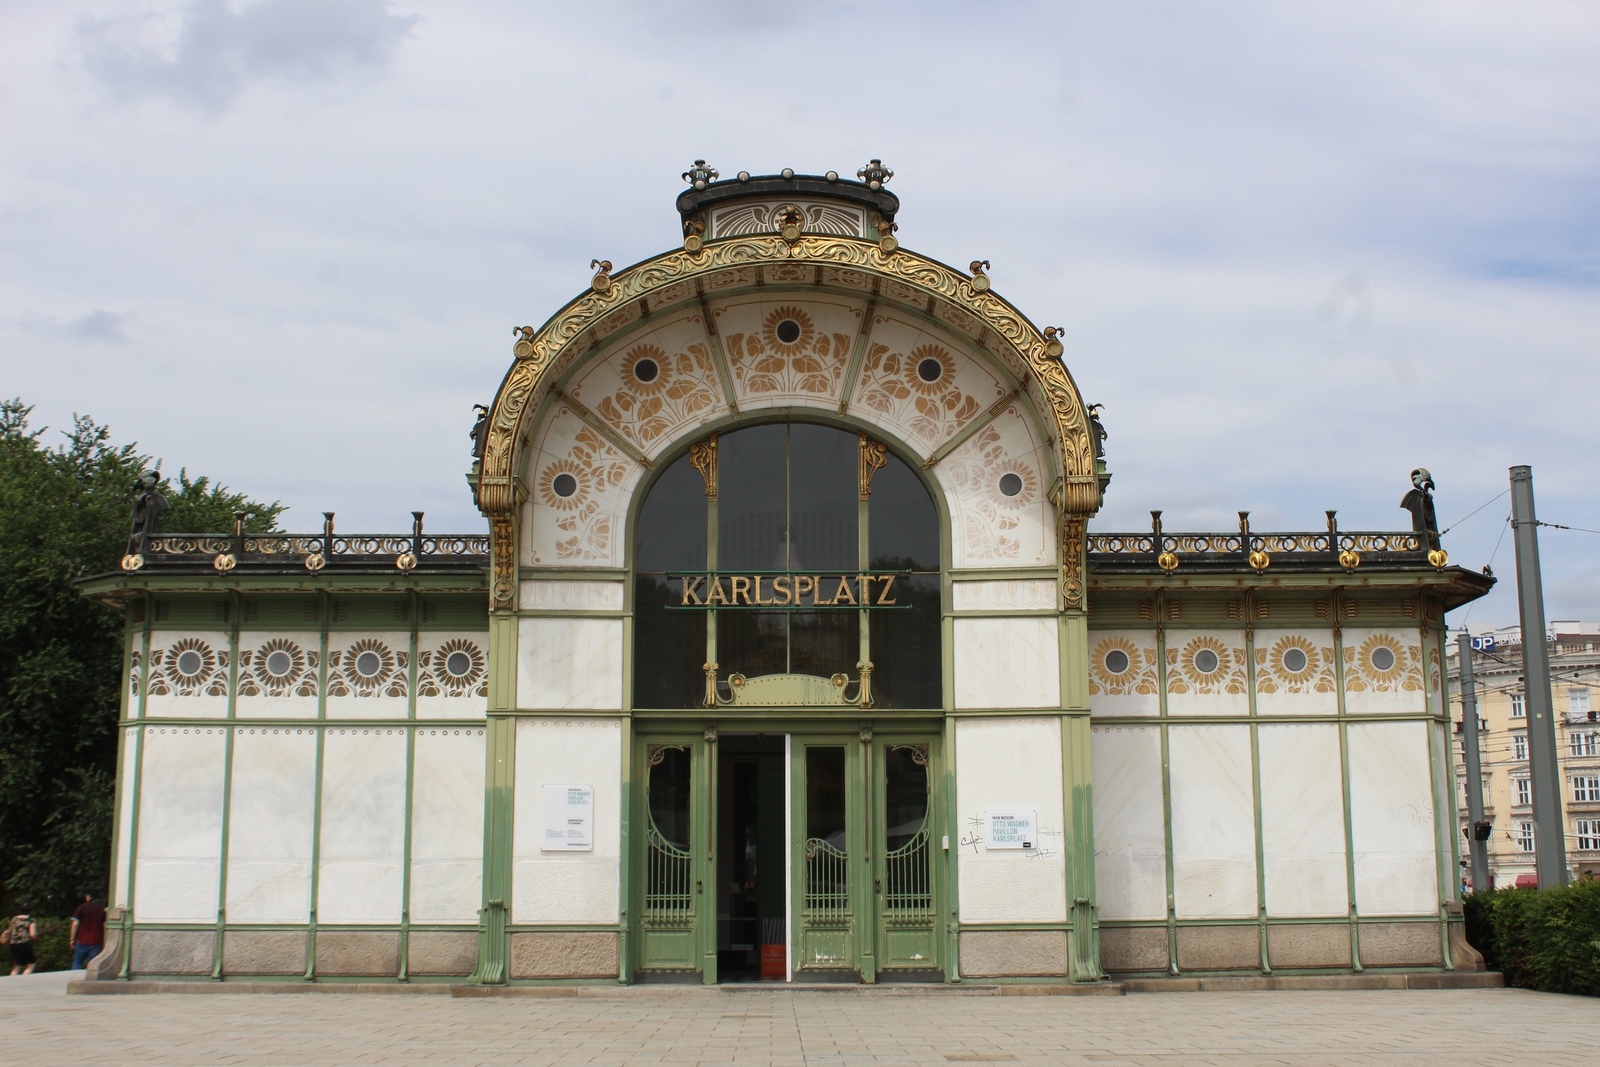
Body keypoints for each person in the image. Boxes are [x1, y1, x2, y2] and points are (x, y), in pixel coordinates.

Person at [70, 890, 107, 969]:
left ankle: (75, 978)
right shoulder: (102, 909)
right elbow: (104, 925)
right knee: (92, 965)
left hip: (82, 940)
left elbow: (75, 924)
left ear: (88, 897)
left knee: (77, 963)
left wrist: (72, 939)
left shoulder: (81, 907)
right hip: (97, 941)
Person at [5, 904, 38, 976]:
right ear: (31, 911)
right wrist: (36, 939)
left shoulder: (14, 919)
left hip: (13, 944)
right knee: (30, 965)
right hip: (25, 944)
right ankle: (24, 980)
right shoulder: (31, 920)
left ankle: (12, 982)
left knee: (16, 967)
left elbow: (10, 931)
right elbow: (32, 934)